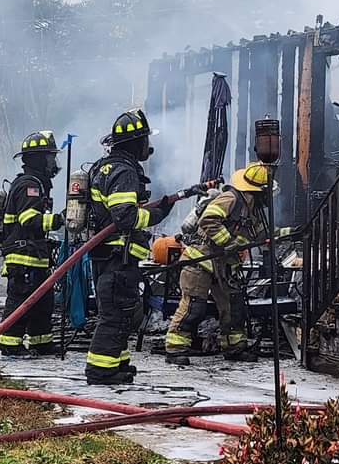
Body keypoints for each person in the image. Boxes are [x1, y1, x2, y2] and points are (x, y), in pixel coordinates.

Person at [84, 110, 176, 384]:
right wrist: (159, 215)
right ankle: (100, 370)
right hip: (117, 258)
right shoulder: (124, 171)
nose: (148, 145)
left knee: (123, 314)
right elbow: (125, 217)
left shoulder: (103, 166)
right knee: (114, 316)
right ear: (135, 142)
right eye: (144, 139)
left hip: (108, 257)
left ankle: (117, 365)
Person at [165, 163, 269, 366]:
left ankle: (234, 347)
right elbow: (209, 220)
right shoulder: (231, 199)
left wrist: (291, 232)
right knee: (193, 307)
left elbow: (262, 235)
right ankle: (175, 349)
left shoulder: (251, 210)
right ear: (256, 191)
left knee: (233, 308)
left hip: (224, 265)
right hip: (200, 261)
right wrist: (228, 243)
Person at [0, 130, 64, 357]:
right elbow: (29, 219)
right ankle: (9, 343)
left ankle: (41, 342)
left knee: (43, 302)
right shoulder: (29, 185)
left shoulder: (37, 183)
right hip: (22, 256)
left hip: (34, 255)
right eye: (49, 157)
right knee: (20, 301)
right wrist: (58, 221)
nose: (53, 162)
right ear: (38, 159)